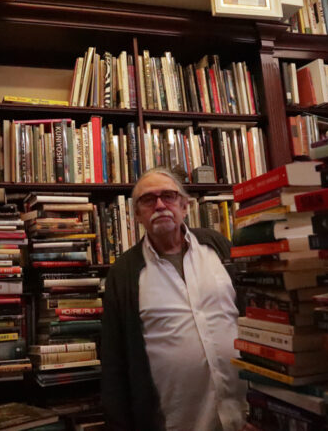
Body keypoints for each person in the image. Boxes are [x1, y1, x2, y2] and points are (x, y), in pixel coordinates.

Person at [101, 168, 246, 431]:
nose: (159, 205)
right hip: (177, 423)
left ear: (185, 206)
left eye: (168, 196)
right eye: (148, 200)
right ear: (136, 215)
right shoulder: (123, 273)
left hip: (246, 413)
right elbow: (114, 362)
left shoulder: (218, 247)